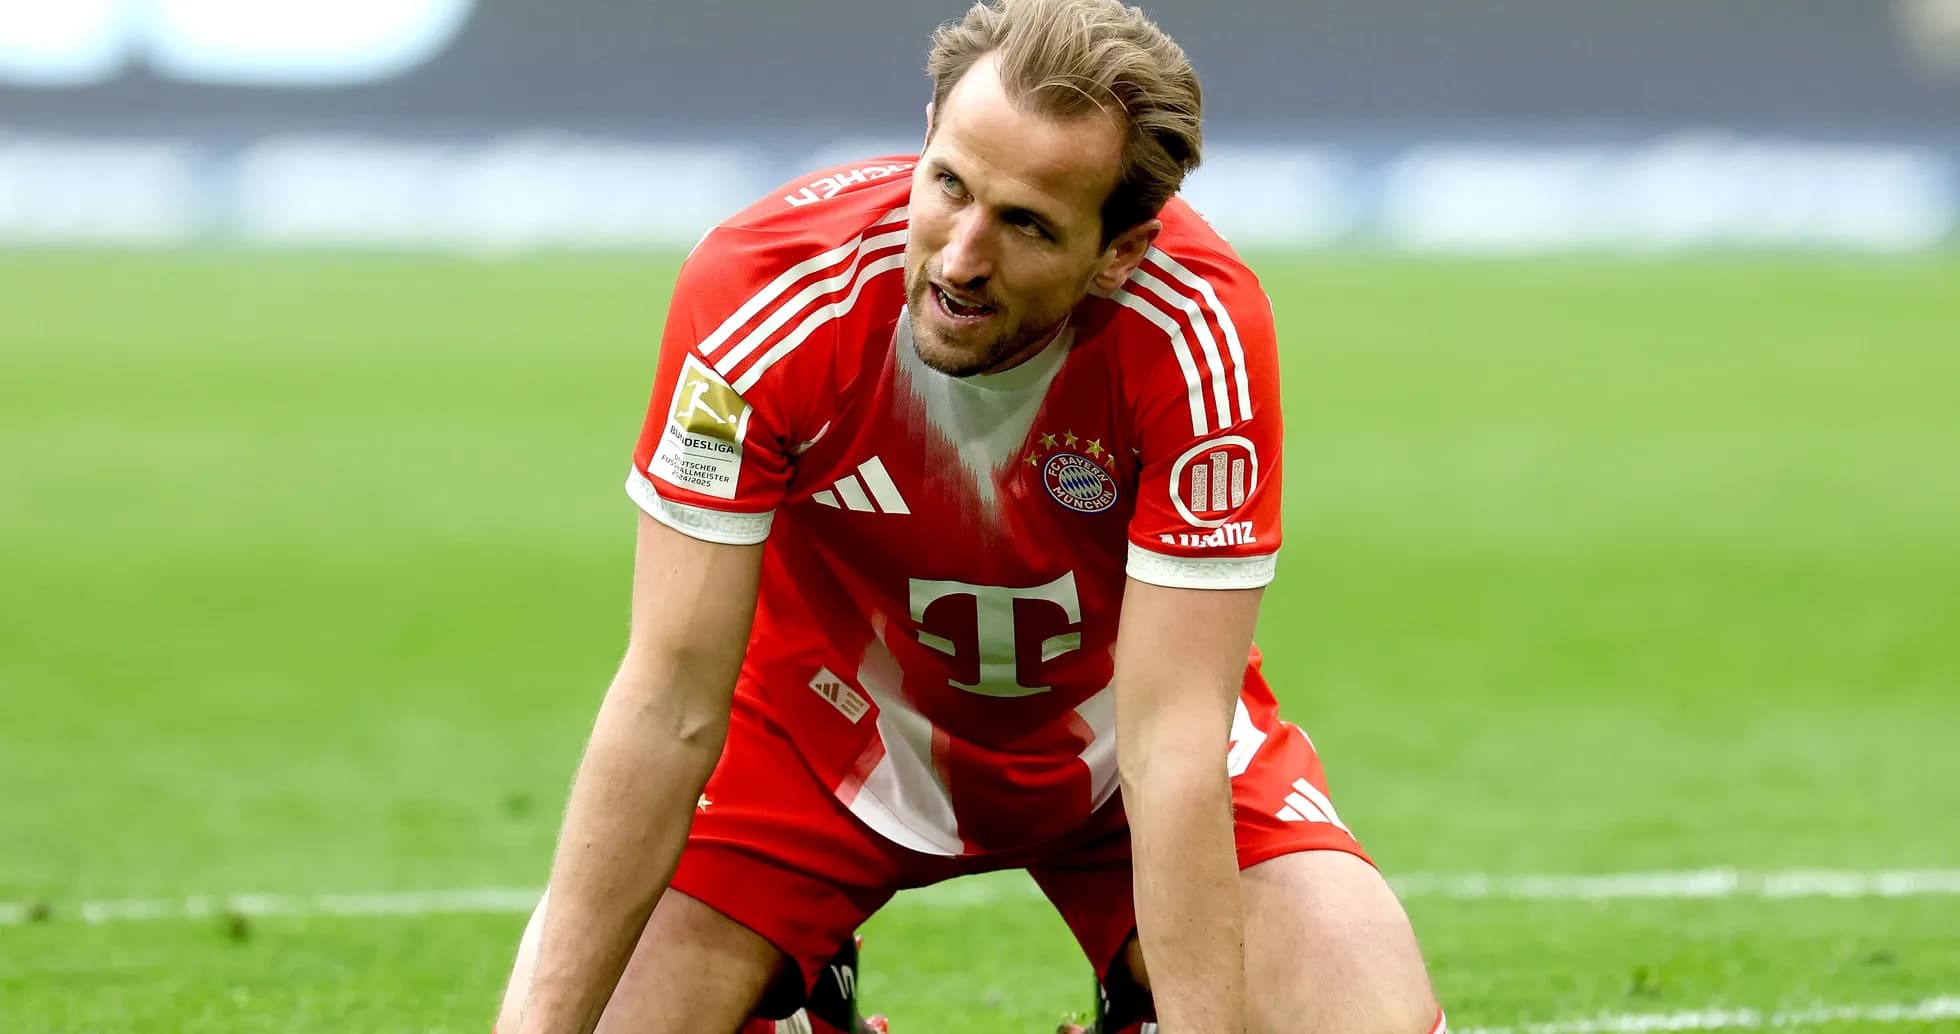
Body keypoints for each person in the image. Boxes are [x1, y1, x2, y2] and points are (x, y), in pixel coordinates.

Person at [496, 1, 1446, 1031]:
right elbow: (670, 696)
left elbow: (1174, 738)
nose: (957, 257)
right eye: (947, 184)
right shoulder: (760, 294)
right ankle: (802, 985)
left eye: (1027, 224)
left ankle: (1143, 1000)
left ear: (1119, 250)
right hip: (811, 737)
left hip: (1114, 756)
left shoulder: (1196, 337)